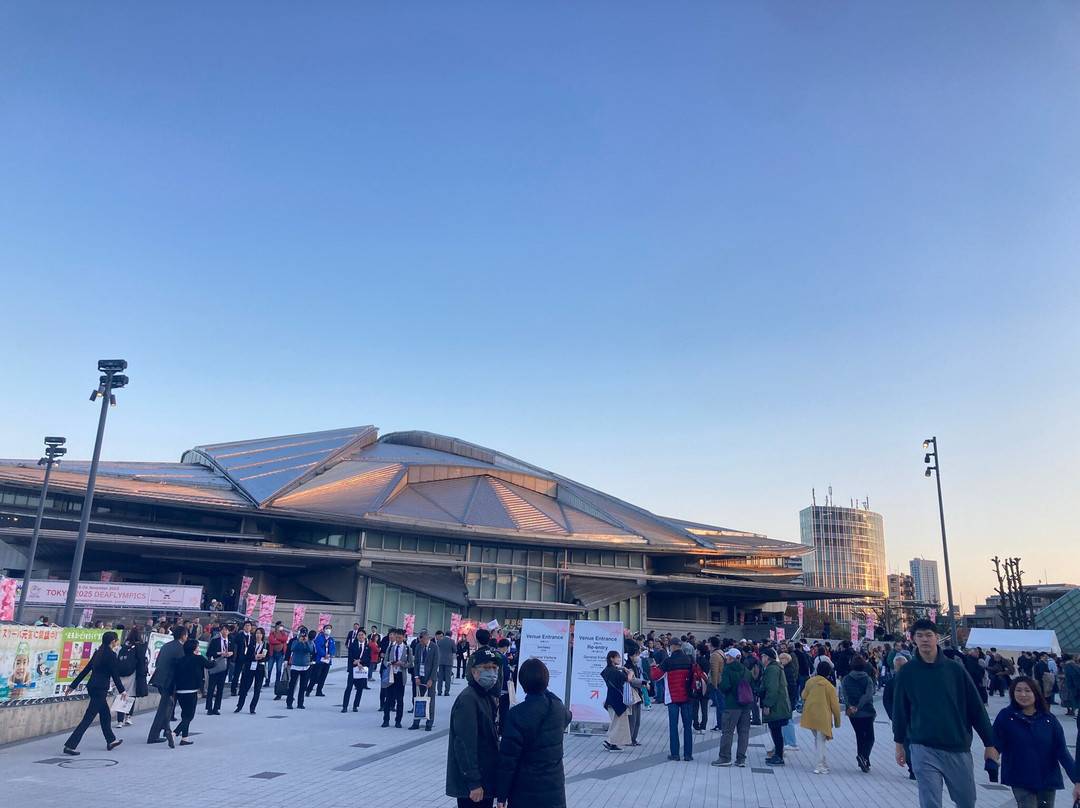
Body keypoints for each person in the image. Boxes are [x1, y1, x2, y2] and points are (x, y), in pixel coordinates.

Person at [892, 618, 998, 808]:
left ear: (937, 638)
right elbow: (900, 709)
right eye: (920, 636)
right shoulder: (907, 672)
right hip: (923, 746)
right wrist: (899, 743)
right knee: (930, 801)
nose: (924, 639)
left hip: (956, 746)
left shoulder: (955, 670)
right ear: (914, 639)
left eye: (928, 635)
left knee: (966, 800)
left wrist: (989, 743)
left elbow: (975, 707)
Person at [496, 658, 572, 808]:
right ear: (546, 681)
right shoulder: (557, 709)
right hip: (554, 789)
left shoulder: (516, 714)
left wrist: (501, 795)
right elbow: (568, 715)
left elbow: (508, 760)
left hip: (524, 791)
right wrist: (546, 691)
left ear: (522, 683)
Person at [993, 676, 1079, 808]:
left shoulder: (1049, 719)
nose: (1023, 694)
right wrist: (991, 760)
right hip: (1020, 777)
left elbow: (1061, 751)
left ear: (1035, 693)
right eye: (1018, 690)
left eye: (1028, 690)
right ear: (1012, 693)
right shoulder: (1006, 717)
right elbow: (996, 744)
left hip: (1047, 778)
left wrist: (1077, 779)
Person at [447, 646, 502, 808]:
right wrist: (473, 782)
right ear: (474, 672)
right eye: (486, 667)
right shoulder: (468, 700)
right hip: (473, 786)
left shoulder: (485, 696)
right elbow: (464, 743)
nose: (491, 672)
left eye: (494, 667)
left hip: (486, 779)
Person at [63, 631, 126, 755]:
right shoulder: (111, 655)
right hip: (100, 688)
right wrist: (122, 690)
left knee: (105, 714)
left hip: (93, 687)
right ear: (113, 642)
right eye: (116, 640)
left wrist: (72, 686)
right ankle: (70, 745)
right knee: (88, 718)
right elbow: (115, 674)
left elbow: (86, 670)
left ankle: (111, 740)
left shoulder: (98, 652)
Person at [652, 637, 693, 761]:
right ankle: (688, 755)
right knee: (687, 726)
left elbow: (656, 676)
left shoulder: (668, 661)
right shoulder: (689, 659)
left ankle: (675, 754)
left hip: (673, 698)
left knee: (673, 726)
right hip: (687, 697)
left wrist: (653, 667)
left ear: (673, 647)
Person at [800, 657, 842, 775]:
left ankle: (824, 763)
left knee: (818, 740)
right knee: (820, 741)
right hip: (823, 716)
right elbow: (835, 706)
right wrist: (837, 722)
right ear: (829, 673)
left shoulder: (810, 681)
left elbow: (803, 695)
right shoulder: (829, 687)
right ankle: (819, 765)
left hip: (810, 715)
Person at [713, 647, 753, 767]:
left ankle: (725, 757)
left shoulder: (727, 669)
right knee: (744, 732)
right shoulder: (746, 670)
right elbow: (752, 685)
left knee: (728, 731)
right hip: (746, 705)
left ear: (730, 657)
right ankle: (741, 758)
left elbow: (724, 686)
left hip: (732, 705)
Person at [147, 625, 186, 744]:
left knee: (168, 705)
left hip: (159, 678)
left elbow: (158, 661)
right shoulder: (180, 649)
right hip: (169, 681)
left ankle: (166, 729)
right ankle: (153, 735)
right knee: (164, 708)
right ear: (183, 636)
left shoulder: (167, 645)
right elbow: (179, 668)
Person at [172, 638, 215, 745]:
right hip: (191, 691)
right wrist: (214, 660)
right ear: (194, 648)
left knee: (184, 714)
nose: (198, 648)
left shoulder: (179, 660)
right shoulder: (198, 658)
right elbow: (209, 665)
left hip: (179, 691)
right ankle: (175, 733)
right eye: (197, 646)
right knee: (189, 716)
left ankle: (184, 738)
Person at [842, 652, 877, 773]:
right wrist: (858, 706)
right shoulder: (867, 679)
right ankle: (863, 757)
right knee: (870, 737)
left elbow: (844, 694)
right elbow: (868, 695)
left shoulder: (846, 678)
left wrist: (851, 706)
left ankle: (863, 759)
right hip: (866, 711)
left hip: (852, 713)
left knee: (859, 735)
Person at [883, 654, 916, 780]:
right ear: (895, 668)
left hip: (914, 717)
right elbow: (887, 700)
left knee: (912, 743)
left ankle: (915, 767)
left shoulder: (914, 682)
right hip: (900, 718)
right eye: (900, 666)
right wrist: (892, 715)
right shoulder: (892, 683)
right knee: (905, 743)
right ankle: (913, 768)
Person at [761, 646, 793, 766]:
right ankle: (777, 754)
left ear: (767, 658)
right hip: (779, 703)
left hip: (776, 705)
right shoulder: (776, 667)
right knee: (776, 730)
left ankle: (779, 756)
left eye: (763, 656)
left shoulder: (772, 669)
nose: (761, 658)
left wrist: (768, 704)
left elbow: (772, 688)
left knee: (776, 730)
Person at [114, 626, 148, 729]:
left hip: (120, 675)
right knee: (131, 696)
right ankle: (128, 717)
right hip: (132, 675)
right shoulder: (139, 647)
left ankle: (119, 721)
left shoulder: (122, 647)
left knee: (121, 696)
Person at [381, 628, 413, 727]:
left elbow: (411, 663)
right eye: (396, 637)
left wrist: (402, 664)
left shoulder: (408, 649)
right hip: (391, 674)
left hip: (400, 675)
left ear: (403, 637)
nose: (398, 639)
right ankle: (386, 720)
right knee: (388, 698)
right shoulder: (391, 647)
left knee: (400, 699)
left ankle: (398, 720)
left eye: (399, 637)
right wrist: (389, 663)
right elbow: (384, 661)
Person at [601, 649, 631, 752]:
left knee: (616, 722)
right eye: (617, 657)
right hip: (617, 700)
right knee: (617, 722)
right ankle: (610, 742)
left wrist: (621, 667)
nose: (619, 659)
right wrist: (630, 673)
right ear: (612, 659)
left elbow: (611, 671)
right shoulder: (615, 672)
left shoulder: (607, 671)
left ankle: (611, 742)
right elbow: (628, 679)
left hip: (610, 699)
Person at [410, 630, 440, 731]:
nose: (421, 643)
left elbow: (435, 664)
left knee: (430, 700)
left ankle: (429, 723)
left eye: (422, 641)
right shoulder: (418, 647)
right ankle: (416, 722)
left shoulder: (434, 647)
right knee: (418, 699)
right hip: (420, 676)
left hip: (430, 677)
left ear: (427, 638)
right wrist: (416, 677)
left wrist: (431, 679)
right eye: (420, 641)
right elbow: (417, 662)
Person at [234, 626, 268, 714]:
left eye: (260, 633)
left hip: (260, 668)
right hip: (250, 668)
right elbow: (246, 657)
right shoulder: (251, 644)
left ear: (262, 635)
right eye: (257, 633)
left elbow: (268, 657)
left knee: (257, 689)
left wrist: (261, 658)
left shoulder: (265, 645)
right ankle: (240, 705)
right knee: (245, 688)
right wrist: (254, 657)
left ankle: (252, 707)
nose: (258, 635)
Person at [285, 626, 315, 709]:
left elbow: (310, 650)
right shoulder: (295, 641)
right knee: (292, 684)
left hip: (305, 665)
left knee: (303, 685)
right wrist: (299, 641)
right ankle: (289, 702)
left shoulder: (309, 641)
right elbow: (293, 649)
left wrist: (306, 641)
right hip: (295, 665)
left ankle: (300, 703)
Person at [341, 628, 370, 712]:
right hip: (353, 669)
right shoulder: (353, 645)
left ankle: (355, 705)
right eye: (359, 635)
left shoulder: (367, 647)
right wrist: (355, 662)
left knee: (360, 688)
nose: (360, 636)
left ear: (365, 636)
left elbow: (368, 658)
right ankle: (345, 706)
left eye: (362, 635)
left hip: (362, 670)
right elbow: (350, 656)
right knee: (349, 687)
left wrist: (360, 662)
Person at [205, 624, 231, 715]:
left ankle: (216, 707)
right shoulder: (215, 640)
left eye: (226, 630)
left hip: (225, 666)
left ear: (229, 632)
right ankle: (209, 708)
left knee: (220, 689)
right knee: (211, 688)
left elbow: (234, 652)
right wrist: (219, 653)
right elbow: (208, 653)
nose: (224, 631)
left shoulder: (230, 641)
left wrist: (231, 654)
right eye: (223, 629)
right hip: (215, 665)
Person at [779, 652, 800, 751]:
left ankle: (792, 742)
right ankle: (788, 741)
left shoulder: (788, 670)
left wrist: (790, 698)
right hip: (788, 698)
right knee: (786, 720)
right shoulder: (786, 669)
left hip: (789, 699)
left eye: (782, 658)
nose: (780, 660)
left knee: (788, 720)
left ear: (787, 660)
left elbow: (792, 686)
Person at [624, 648, 646, 746]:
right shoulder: (627, 667)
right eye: (636, 655)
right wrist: (643, 683)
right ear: (630, 656)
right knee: (631, 719)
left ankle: (634, 738)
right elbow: (632, 680)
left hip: (637, 693)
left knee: (637, 718)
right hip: (631, 694)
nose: (637, 657)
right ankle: (629, 738)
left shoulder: (636, 666)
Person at [306, 623, 335, 697]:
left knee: (323, 676)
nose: (328, 630)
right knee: (316, 676)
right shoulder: (319, 638)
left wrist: (330, 654)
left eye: (329, 628)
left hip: (327, 660)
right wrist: (324, 654)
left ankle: (319, 690)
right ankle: (309, 689)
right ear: (323, 629)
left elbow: (333, 649)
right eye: (327, 628)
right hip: (320, 659)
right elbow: (318, 648)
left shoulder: (331, 639)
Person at [267, 621, 289, 690]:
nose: (281, 627)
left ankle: (277, 681)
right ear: (276, 626)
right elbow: (271, 641)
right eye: (280, 625)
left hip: (280, 653)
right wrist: (280, 642)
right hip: (272, 653)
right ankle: (267, 681)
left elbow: (285, 639)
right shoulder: (272, 633)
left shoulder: (283, 634)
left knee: (279, 669)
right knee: (269, 668)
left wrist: (277, 639)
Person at [436, 630, 456, 696]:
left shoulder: (440, 641)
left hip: (441, 660)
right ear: (451, 635)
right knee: (448, 677)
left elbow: (437, 649)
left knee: (440, 677)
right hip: (449, 661)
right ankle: (446, 691)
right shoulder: (452, 642)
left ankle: (439, 691)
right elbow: (454, 650)